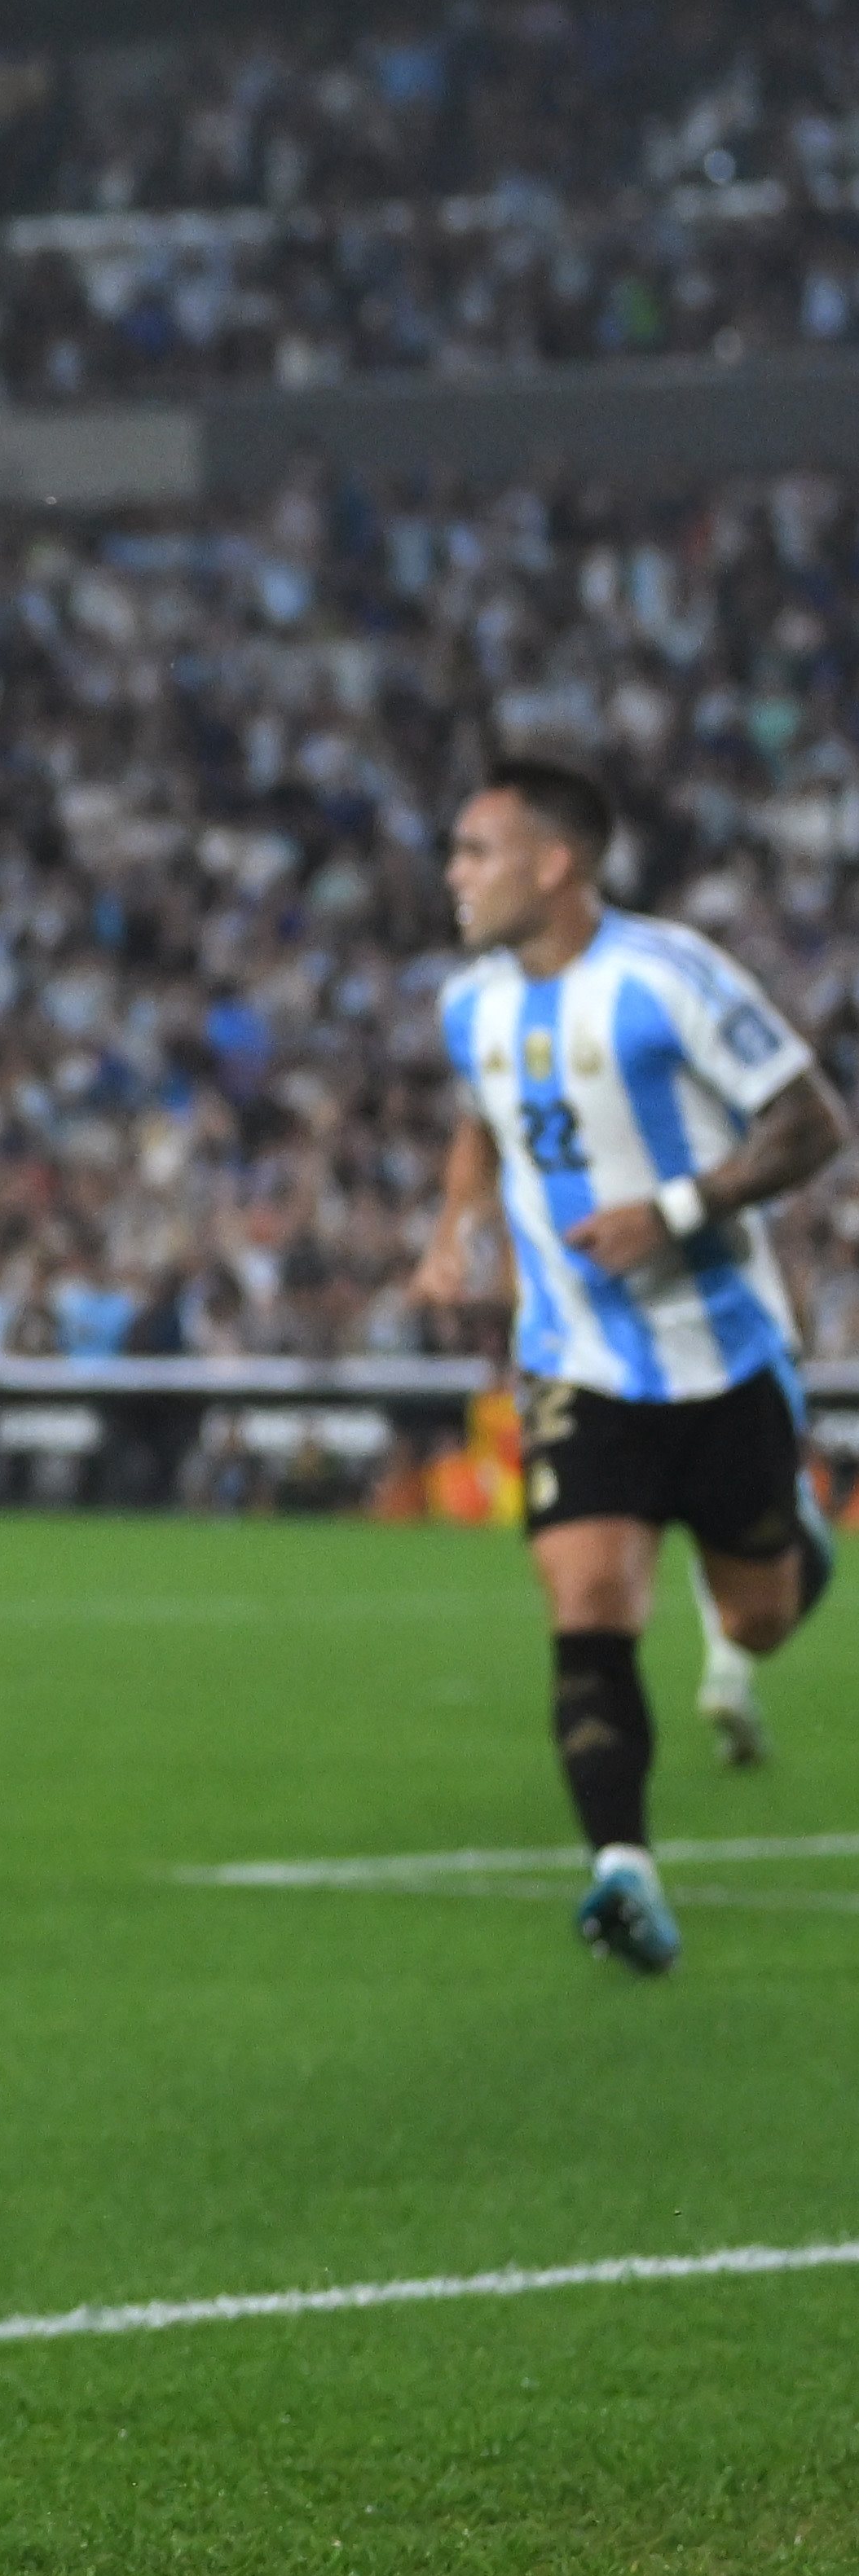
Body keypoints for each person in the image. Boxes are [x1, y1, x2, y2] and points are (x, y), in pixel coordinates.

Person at [407, 759, 842, 1974]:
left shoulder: (668, 977)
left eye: (476, 852)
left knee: (756, 1612)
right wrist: (456, 1228)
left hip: (720, 1355)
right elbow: (483, 1117)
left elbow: (812, 1122)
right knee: (589, 1603)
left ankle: (794, 1545)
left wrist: (677, 1207)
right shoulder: (471, 1006)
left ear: (556, 864)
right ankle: (623, 1872)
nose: (454, 875)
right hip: (575, 1358)